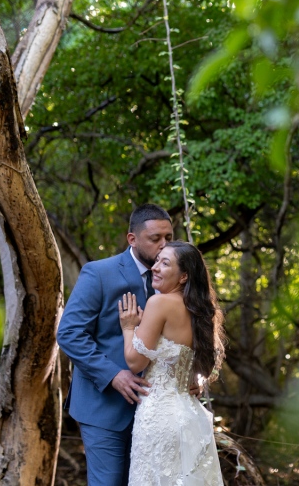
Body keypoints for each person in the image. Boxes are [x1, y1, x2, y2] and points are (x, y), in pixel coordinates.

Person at [57, 204, 173, 485]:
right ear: (132, 239)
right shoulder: (99, 273)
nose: (164, 245)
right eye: (155, 238)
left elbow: (187, 336)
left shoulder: (176, 279)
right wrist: (113, 375)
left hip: (158, 410)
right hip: (104, 407)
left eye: (169, 237)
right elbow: (69, 332)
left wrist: (195, 374)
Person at [118, 240, 225, 485]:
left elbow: (135, 363)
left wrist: (128, 327)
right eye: (157, 261)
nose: (155, 267)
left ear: (183, 276)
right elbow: (207, 362)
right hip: (188, 416)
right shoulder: (199, 312)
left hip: (159, 417)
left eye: (165, 263)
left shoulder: (160, 303)